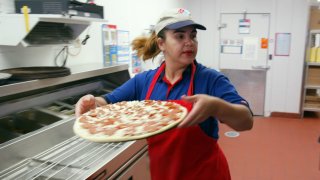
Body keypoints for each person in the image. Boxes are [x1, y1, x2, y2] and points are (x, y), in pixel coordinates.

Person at [75, 8, 253, 180]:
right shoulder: (143, 81)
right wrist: (92, 103)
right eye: (180, 36)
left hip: (204, 174)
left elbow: (246, 120)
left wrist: (217, 106)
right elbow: (108, 101)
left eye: (193, 36)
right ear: (161, 43)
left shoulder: (210, 79)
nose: (189, 42)